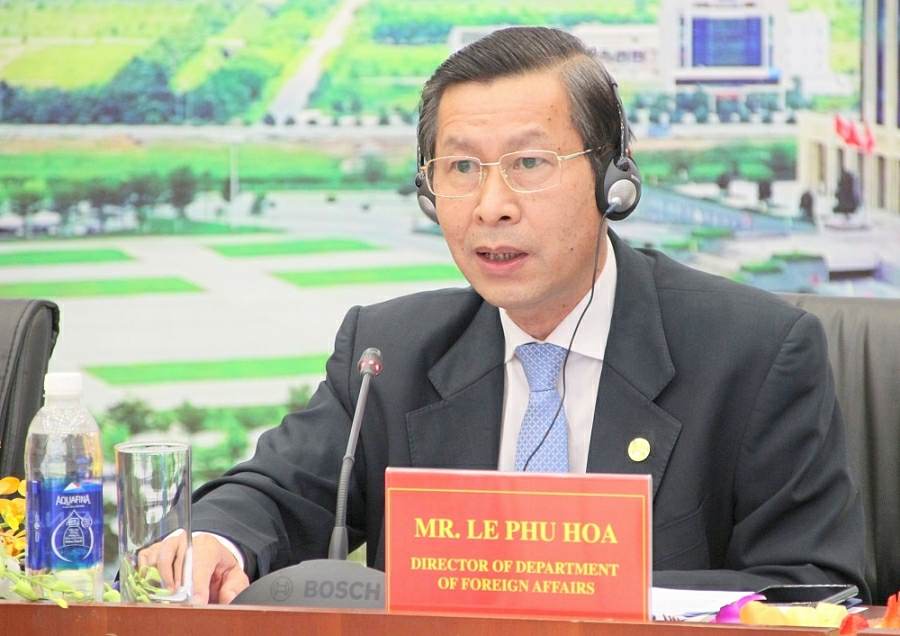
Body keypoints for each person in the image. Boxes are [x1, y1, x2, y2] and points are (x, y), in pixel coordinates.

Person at [140, 26, 867, 604]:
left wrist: (594, 599)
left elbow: (810, 587)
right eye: (461, 168)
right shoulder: (388, 353)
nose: (492, 206)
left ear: (613, 177)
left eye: (529, 164)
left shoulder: (754, 353)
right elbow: (273, 493)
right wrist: (215, 543)